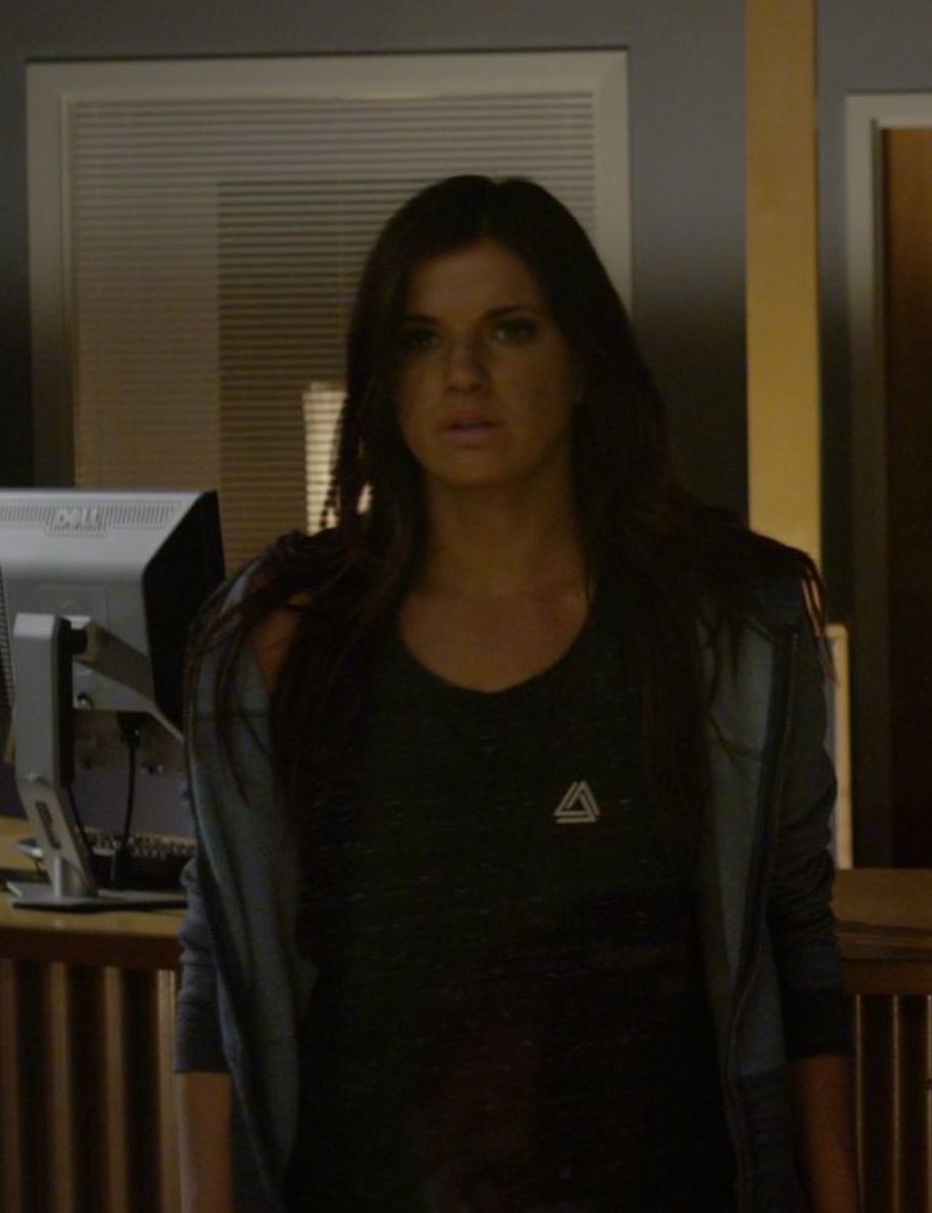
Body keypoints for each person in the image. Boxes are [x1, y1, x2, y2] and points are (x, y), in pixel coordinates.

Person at [174, 175, 857, 1211]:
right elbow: (219, 971)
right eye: (420, 339)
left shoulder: (725, 630)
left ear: (581, 361)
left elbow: (796, 938)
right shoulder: (281, 638)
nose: (462, 373)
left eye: (510, 330)